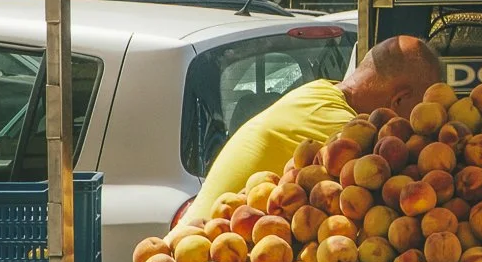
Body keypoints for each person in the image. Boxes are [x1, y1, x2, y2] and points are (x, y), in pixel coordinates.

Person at [187, 34, 443, 220]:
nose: (415, 129)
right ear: (399, 100)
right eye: (418, 114)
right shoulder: (342, 132)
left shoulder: (319, 91)